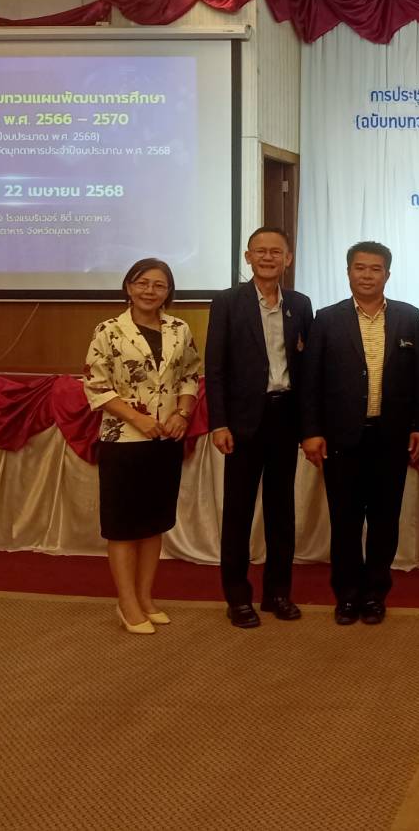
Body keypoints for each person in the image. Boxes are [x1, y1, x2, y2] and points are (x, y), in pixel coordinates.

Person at [300, 242, 419, 627]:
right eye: (360, 268)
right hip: (342, 439)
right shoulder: (327, 319)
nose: (367, 275)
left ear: (387, 274)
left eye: (376, 269)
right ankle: (346, 595)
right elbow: (310, 382)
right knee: (344, 521)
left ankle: (375, 594)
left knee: (384, 521)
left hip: (391, 437)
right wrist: (311, 431)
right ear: (348, 272)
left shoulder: (409, 317)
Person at [82, 259, 201, 635]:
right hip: (124, 440)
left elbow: (190, 376)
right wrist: (139, 419)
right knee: (123, 526)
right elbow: (96, 385)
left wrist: (183, 414)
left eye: (159, 285)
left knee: (154, 524)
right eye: (142, 283)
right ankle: (127, 602)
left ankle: (146, 598)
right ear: (129, 287)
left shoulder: (180, 329)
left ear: (169, 291)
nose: (150, 291)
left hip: (166, 439)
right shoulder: (108, 330)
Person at [206, 226, 313, 629]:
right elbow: (215, 368)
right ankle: (237, 597)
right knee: (238, 511)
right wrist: (219, 422)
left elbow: (306, 368)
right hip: (243, 422)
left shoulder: (300, 304)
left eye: (276, 252)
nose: (268, 258)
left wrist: (309, 425)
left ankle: (277, 593)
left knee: (281, 510)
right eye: (260, 251)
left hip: (285, 417)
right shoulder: (227, 302)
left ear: (288, 259)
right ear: (248, 257)